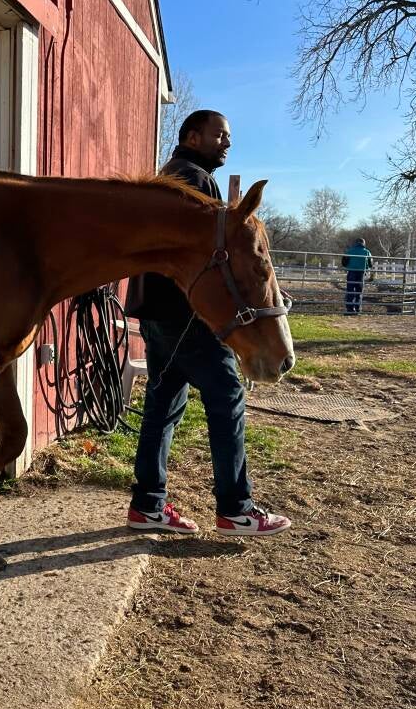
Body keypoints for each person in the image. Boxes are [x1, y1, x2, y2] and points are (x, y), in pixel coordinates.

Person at [124, 110, 291, 537]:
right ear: (193, 136)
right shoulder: (194, 182)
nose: (227, 143)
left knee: (162, 408)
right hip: (189, 315)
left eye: (229, 137)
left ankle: (147, 506)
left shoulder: (170, 176)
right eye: (220, 135)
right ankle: (236, 509)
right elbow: (207, 261)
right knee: (227, 398)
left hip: (158, 315)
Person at [342, 237, 373, 315]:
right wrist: (366, 266)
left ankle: (350, 310)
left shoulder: (350, 251)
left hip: (351, 272)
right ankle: (358, 309)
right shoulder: (367, 252)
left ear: (355, 243)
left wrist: (348, 265)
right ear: (363, 243)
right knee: (359, 291)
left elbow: (344, 261)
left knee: (350, 291)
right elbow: (370, 263)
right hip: (361, 273)